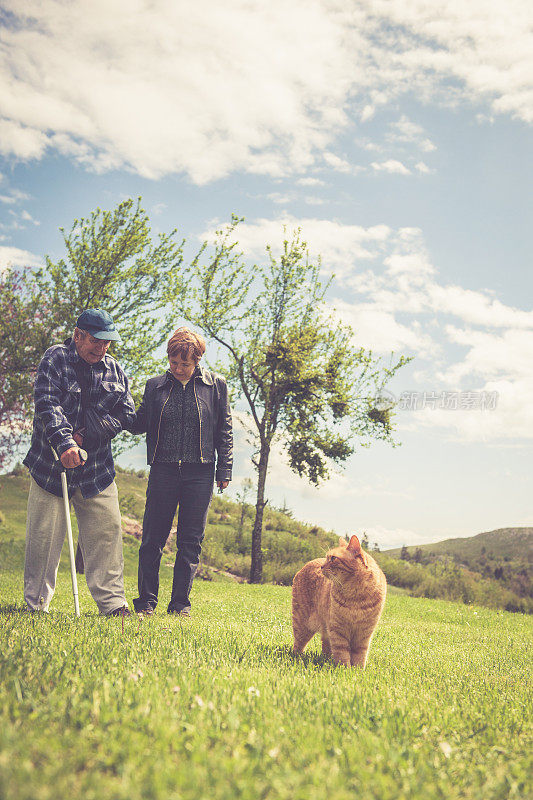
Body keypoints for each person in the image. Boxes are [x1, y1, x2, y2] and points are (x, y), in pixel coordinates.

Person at [23, 308, 135, 616]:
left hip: (97, 471)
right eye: (95, 341)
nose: (101, 349)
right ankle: (37, 604)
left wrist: (96, 431)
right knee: (43, 539)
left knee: (107, 535)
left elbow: (126, 413)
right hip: (52, 468)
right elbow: (47, 403)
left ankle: (113, 605)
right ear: (78, 336)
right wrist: (65, 442)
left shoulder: (114, 369)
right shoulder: (55, 358)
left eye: (106, 343)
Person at [129, 327, 232, 616]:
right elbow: (139, 423)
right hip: (163, 470)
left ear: (197, 360)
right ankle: (146, 602)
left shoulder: (216, 386)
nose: (178, 369)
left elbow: (224, 430)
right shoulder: (155, 386)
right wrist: (119, 405)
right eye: (173, 363)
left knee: (190, 541)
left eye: (184, 364)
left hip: (200, 473)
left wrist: (224, 468)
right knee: (152, 538)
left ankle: (179, 606)